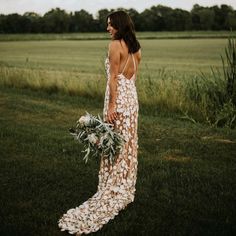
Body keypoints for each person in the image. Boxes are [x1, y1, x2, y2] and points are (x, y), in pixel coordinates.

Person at [58, 10, 141, 235]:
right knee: (126, 145)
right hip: (132, 101)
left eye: (111, 25)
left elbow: (113, 78)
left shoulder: (115, 46)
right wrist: (126, 102)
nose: (108, 29)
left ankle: (112, 189)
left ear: (119, 26)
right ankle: (123, 187)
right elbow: (133, 79)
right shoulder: (136, 48)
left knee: (112, 145)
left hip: (119, 101)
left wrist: (112, 106)